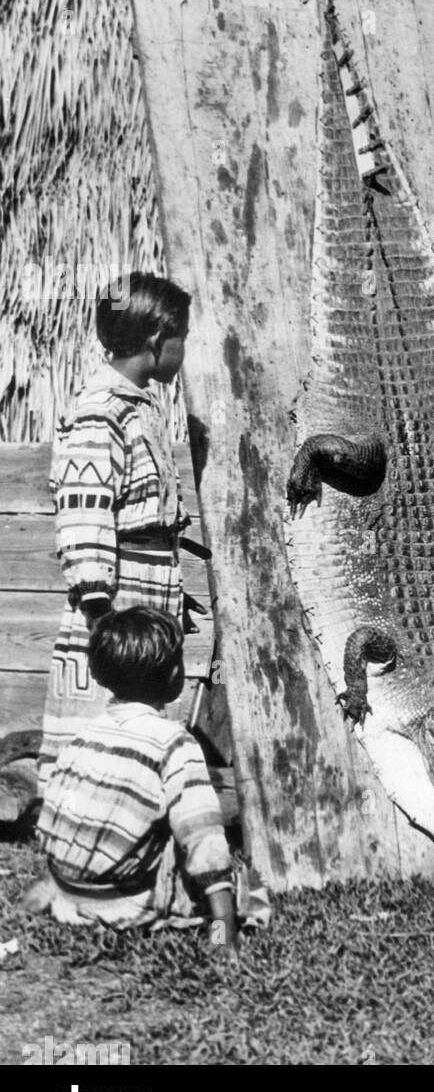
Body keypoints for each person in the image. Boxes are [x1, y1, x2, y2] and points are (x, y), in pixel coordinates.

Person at [39, 272, 197, 789]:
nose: (182, 350)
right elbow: (84, 512)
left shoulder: (138, 405)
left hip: (146, 592)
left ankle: (141, 806)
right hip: (115, 602)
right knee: (106, 711)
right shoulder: (99, 411)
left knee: (142, 718)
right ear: (157, 341)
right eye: (182, 339)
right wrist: (100, 613)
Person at [29, 608, 264, 946]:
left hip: (68, 892)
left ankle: (55, 890)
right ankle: (219, 933)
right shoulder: (175, 743)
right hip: (121, 906)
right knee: (249, 888)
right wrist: (223, 935)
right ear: (173, 673)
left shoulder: (86, 735)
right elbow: (204, 841)